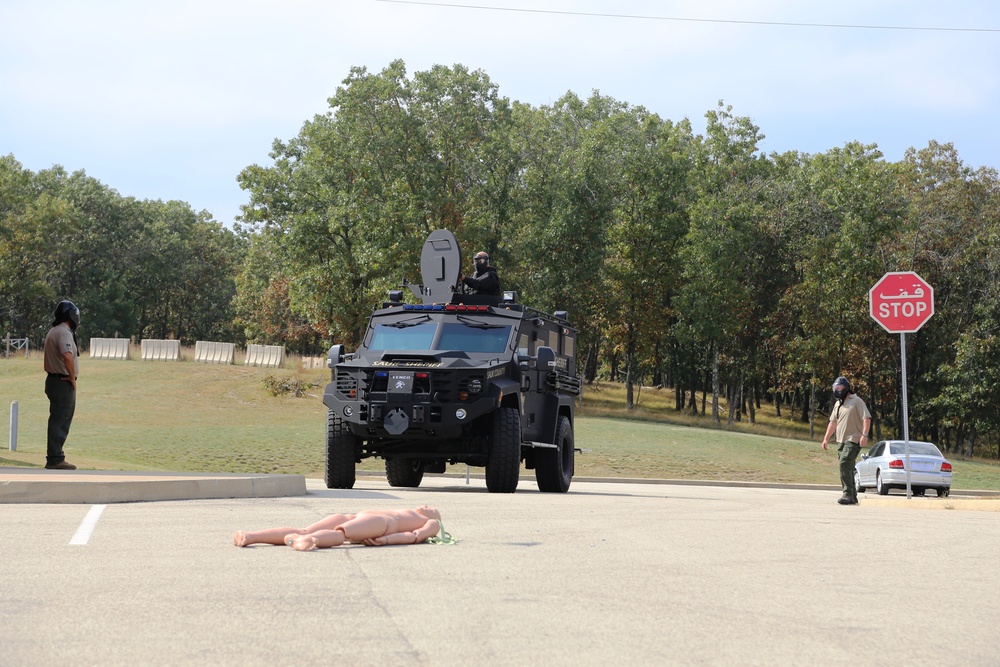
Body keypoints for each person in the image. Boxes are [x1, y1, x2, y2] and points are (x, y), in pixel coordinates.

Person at [233, 506, 444, 551]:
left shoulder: (432, 522)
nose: (427, 506)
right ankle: (251, 536)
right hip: (357, 515)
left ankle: (306, 541)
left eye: (432, 508)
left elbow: (415, 536)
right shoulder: (409, 509)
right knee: (305, 528)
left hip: (381, 525)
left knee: (340, 535)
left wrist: (387, 540)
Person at [820, 376, 872, 505]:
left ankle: (847, 494)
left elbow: (866, 418)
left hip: (853, 439)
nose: (837, 390)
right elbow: (833, 422)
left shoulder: (857, 401)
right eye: (835, 388)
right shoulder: (838, 404)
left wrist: (864, 435)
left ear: (847, 388)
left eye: (840, 388)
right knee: (847, 467)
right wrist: (826, 439)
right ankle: (853, 496)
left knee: (844, 463)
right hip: (841, 440)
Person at [42, 300, 81, 470]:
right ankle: (55, 458)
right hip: (62, 381)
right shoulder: (64, 332)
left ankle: (55, 456)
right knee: (61, 418)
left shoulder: (54, 330)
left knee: (58, 417)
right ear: (70, 315)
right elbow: (67, 356)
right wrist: (72, 377)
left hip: (53, 380)